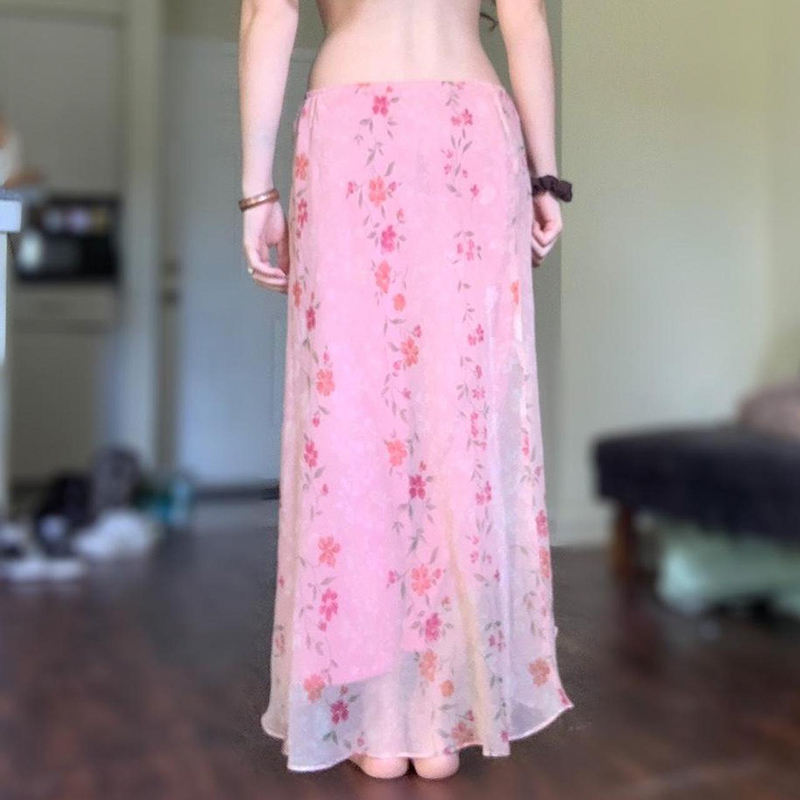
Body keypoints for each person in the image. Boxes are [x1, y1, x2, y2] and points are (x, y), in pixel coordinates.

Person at [238, 0, 574, 781]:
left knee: (353, 412)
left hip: (350, 125)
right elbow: (524, 22)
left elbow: (267, 12)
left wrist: (256, 193)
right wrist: (545, 177)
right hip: (473, 126)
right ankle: (442, 708)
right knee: (461, 413)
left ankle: (378, 717)